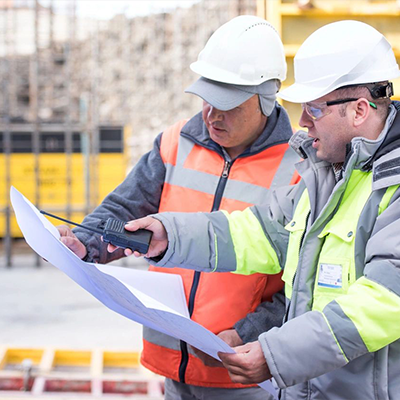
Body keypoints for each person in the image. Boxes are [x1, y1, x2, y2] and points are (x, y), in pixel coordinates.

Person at [126, 20, 400, 399]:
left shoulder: (393, 186)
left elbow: (384, 301)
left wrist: (276, 355)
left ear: (357, 110)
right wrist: (168, 235)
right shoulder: (328, 177)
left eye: (314, 110)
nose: (302, 122)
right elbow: (258, 232)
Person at [58, 15, 300, 400]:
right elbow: (124, 208)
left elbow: (304, 286)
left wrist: (249, 331)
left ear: (267, 96)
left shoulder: (299, 169)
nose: (212, 114)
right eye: (207, 99)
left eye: (228, 104)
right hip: (173, 370)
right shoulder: (174, 144)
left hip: (245, 377)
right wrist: (85, 244)